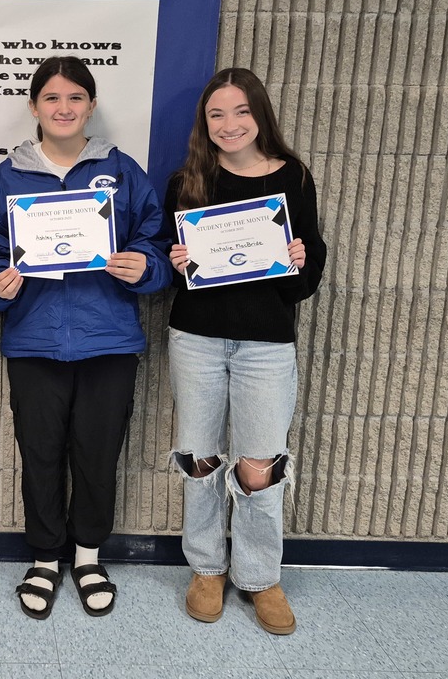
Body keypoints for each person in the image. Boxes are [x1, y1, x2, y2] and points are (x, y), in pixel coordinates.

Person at [0, 56, 172, 619]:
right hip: (35, 341)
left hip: (107, 340)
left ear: (90, 105)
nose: (63, 109)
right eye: (52, 99)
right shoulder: (9, 176)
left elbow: (156, 243)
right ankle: (44, 558)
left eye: (75, 98)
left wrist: (146, 267)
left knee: (97, 453)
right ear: (34, 106)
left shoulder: (122, 170)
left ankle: (87, 555)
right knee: (39, 453)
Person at [163, 67, 326, 635]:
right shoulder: (186, 182)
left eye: (240, 112)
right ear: (204, 123)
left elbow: (303, 286)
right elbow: (172, 274)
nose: (229, 125)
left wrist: (300, 260)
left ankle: (260, 577)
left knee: (260, 466)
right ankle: (207, 568)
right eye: (216, 114)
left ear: (260, 115)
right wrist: (178, 264)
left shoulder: (294, 179)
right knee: (200, 456)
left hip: (266, 345)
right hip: (197, 340)